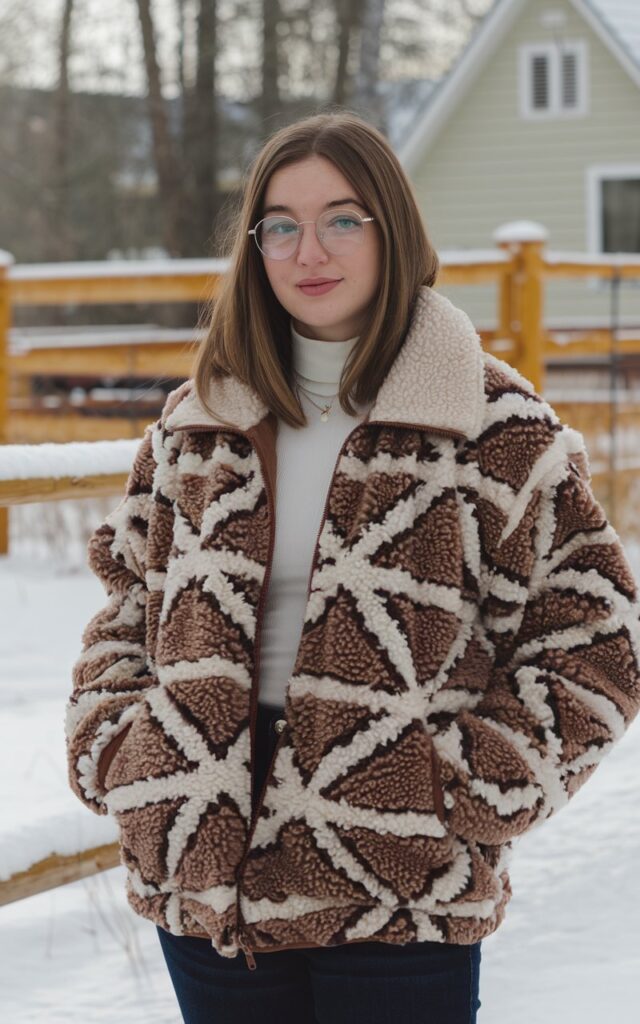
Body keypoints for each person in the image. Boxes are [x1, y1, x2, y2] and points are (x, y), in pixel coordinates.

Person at [65, 110, 640, 1024]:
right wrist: (132, 756)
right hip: (209, 876)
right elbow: (130, 602)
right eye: (281, 225)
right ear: (255, 248)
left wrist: (454, 785)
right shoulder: (198, 420)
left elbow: (593, 639)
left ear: (393, 229)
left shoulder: (491, 423)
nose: (309, 250)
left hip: (397, 890)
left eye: (343, 217)